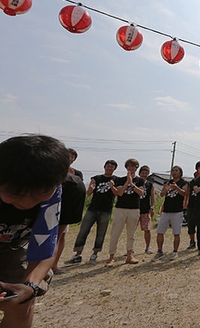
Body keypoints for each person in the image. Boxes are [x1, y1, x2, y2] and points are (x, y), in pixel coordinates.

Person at [0, 135, 70, 328]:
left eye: (39, 194)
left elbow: (46, 245)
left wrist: (29, 286)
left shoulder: (56, 188)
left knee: (21, 302)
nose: (26, 202)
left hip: (13, 248)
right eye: (15, 194)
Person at [66, 160, 118, 264]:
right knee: (83, 231)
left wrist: (112, 187)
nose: (109, 168)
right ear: (104, 167)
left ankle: (95, 254)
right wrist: (90, 188)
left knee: (100, 234)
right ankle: (78, 255)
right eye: (108, 166)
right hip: (92, 209)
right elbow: (88, 193)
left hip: (106, 210)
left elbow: (117, 194)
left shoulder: (116, 179)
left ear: (114, 169)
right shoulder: (96, 178)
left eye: (111, 167)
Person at [51, 148, 86, 274]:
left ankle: (53, 265)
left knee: (60, 237)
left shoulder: (77, 174)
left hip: (66, 211)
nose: (70, 159)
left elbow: (78, 191)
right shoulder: (53, 170)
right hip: (50, 208)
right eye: (68, 156)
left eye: (72, 157)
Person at [106, 158, 145, 266]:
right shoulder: (120, 179)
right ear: (126, 168)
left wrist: (132, 183)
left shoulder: (140, 180)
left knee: (131, 234)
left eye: (133, 166)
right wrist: (127, 182)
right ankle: (111, 257)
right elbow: (120, 193)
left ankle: (129, 256)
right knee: (115, 233)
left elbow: (141, 193)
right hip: (120, 209)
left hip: (134, 209)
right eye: (129, 166)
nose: (131, 168)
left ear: (136, 168)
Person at [153, 166, 188, 261]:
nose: (174, 172)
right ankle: (159, 251)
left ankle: (175, 251)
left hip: (177, 211)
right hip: (166, 211)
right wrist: (166, 189)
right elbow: (162, 194)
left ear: (180, 173)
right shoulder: (168, 182)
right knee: (160, 232)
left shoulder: (183, 183)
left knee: (176, 233)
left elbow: (184, 193)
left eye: (176, 170)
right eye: (173, 170)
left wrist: (176, 187)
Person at [138, 165, 155, 254]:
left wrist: (152, 207)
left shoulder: (149, 184)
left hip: (145, 209)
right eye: (143, 173)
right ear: (139, 173)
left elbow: (152, 197)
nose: (144, 175)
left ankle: (147, 247)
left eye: (146, 173)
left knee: (147, 229)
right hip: (135, 209)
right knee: (132, 230)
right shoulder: (135, 182)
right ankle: (130, 249)